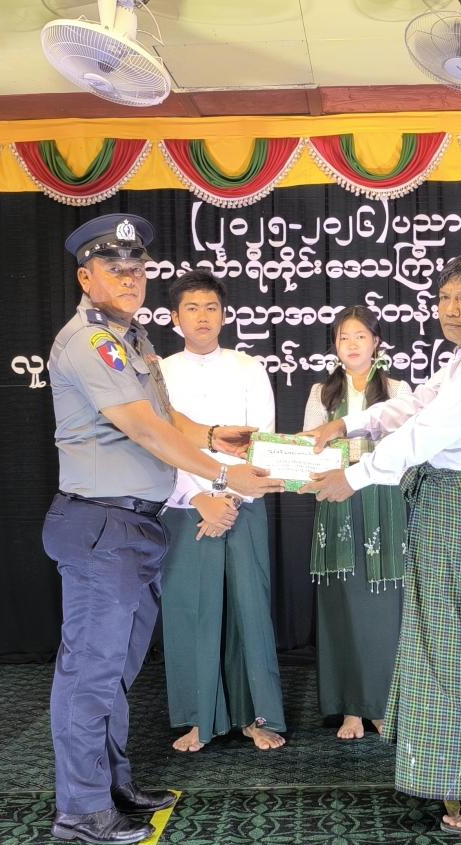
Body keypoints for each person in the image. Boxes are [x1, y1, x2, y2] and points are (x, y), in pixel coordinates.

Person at [43, 214, 281, 845]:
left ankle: (112, 787)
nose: (129, 279)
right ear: (86, 278)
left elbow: (167, 415)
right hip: (101, 524)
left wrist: (216, 436)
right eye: (114, 269)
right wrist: (223, 474)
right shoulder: (90, 342)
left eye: (137, 269)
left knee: (115, 673)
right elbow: (143, 428)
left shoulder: (132, 339)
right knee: (91, 674)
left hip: (133, 526)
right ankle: (81, 810)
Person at [303, 252, 461, 836]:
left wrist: (354, 476)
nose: (451, 310)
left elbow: (428, 432)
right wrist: (347, 424)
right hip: (449, 505)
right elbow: (415, 405)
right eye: (445, 298)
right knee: (447, 646)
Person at [158, 270, 288, 753]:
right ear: (175, 318)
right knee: (191, 611)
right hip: (185, 507)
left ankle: (257, 717)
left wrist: (230, 498)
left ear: (225, 315)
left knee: (248, 609)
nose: (203, 317)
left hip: (242, 505)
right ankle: (200, 718)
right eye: (192, 308)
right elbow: (159, 444)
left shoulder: (248, 368)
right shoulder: (159, 373)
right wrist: (200, 498)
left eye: (211, 307)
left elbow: (262, 439)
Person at [301, 306, 409, 741]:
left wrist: (354, 454)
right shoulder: (321, 393)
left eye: (360, 336)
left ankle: (381, 705)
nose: (351, 344)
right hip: (336, 502)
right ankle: (349, 709)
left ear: (376, 341)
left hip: (384, 503)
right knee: (342, 605)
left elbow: (404, 450)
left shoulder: (397, 390)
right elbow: (312, 449)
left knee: (384, 608)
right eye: (343, 337)